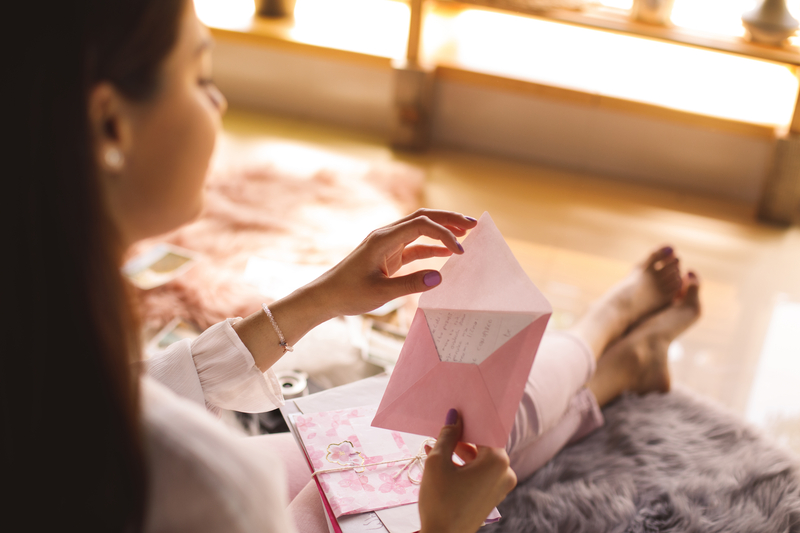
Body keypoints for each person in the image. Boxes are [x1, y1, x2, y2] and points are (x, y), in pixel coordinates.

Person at [3, 0, 700, 531]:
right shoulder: (206, 489)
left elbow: (141, 391)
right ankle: (605, 331)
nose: (219, 103)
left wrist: (320, 298)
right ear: (111, 126)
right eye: (201, 74)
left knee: (417, 426)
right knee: (449, 436)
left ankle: (612, 368)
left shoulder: (45, 349)